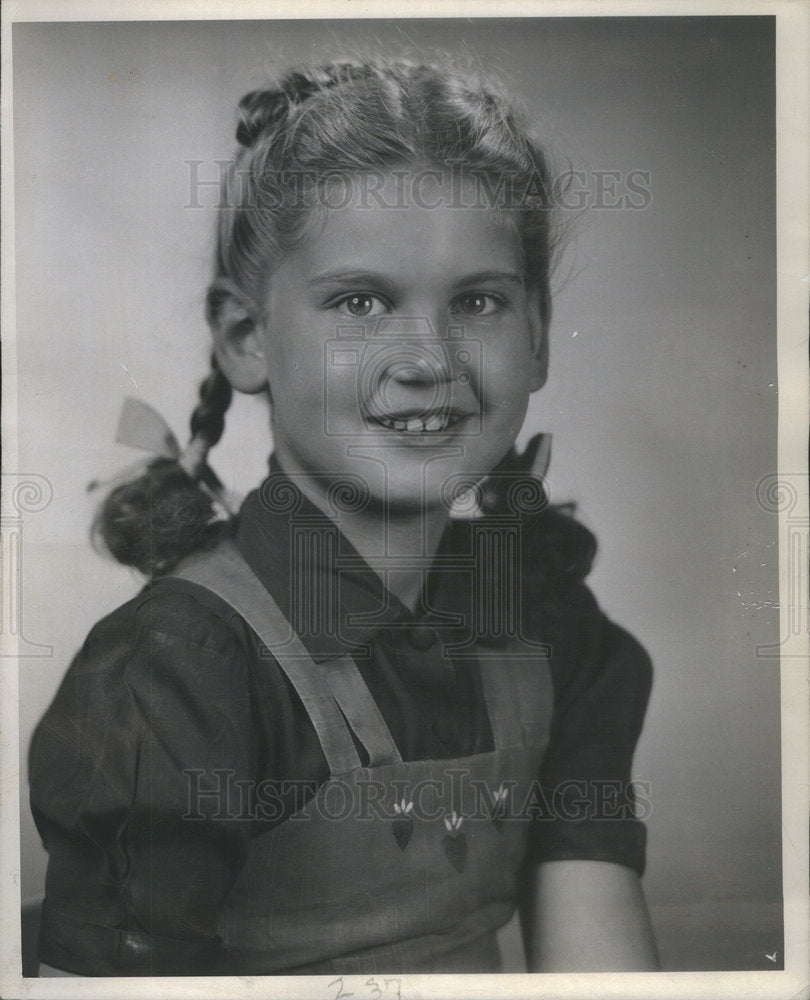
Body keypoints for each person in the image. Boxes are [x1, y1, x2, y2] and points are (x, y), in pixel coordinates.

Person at [29, 59, 658, 976]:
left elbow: (599, 973)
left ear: (536, 334)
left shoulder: (552, 625)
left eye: (478, 301)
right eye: (360, 302)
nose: (427, 360)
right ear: (246, 338)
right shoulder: (177, 671)